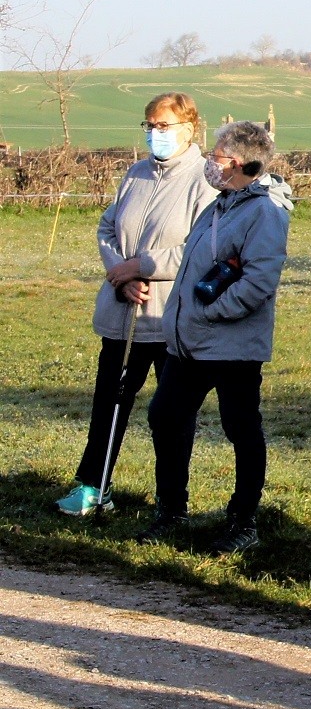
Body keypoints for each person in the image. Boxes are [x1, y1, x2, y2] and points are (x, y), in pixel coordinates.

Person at [56, 92, 215, 516]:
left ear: (189, 128)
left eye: (163, 126)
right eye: (149, 125)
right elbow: (108, 226)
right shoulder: (136, 173)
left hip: (170, 319)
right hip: (122, 315)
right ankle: (94, 485)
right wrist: (119, 273)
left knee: (172, 415)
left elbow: (197, 249)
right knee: (108, 404)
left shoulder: (204, 179)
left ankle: (171, 500)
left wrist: (142, 266)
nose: (155, 134)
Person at [141, 121, 293, 553]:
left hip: (233, 346)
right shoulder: (218, 206)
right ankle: (172, 509)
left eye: (218, 156)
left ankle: (243, 521)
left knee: (241, 429)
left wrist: (212, 313)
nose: (209, 162)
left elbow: (260, 281)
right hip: (189, 343)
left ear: (243, 163)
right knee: (165, 417)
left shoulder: (265, 212)